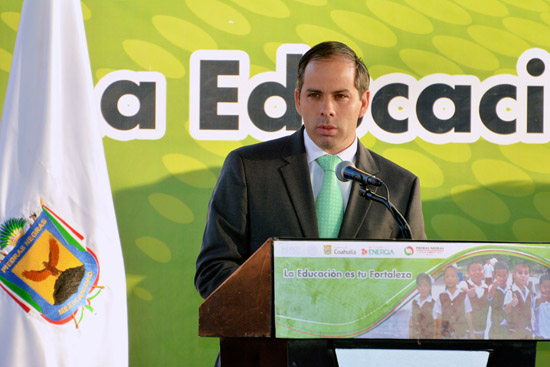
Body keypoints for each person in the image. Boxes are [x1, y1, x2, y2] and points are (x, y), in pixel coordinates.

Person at [195, 41, 427, 299]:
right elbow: (213, 271)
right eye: (315, 95)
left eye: (340, 96)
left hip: (360, 339)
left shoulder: (398, 186)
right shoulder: (249, 168)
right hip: (277, 337)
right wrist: (288, 301)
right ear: (298, 100)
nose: (327, 109)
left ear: (363, 103)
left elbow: (415, 282)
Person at [433, 266, 475, 339]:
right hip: (445, 334)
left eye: (453, 276)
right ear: (444, 280)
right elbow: (439, 316)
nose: (450, 279)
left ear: (457, 279)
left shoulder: (463, 295)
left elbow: (467, 314)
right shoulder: (441, 296)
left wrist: (471, 333)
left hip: (461, 334)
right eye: (447, 277)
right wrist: (438, 334)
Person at [458, 259, 489, 339]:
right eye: (473, 270)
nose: (477, 272)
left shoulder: (486, 287)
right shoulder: (465, 284)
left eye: (480, 269)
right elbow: (459, 287)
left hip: (483, 330)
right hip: (468, 330)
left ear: (484, 272)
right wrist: (467, 290)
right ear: (468, 273)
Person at [504, 262, 534, 339]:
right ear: (514, 275)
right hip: (514, 332)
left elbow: (530, 310)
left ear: (529, 276)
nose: (523, 276)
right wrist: (511, 304)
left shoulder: (529, 292)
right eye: (520, 273)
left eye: (526, 273)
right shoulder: (510, 292)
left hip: (527, 331)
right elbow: (506, 310)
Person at [488, 261, 511, 339]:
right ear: (494, 276)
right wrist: (494, 287)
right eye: (499, 276)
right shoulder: (492, 288)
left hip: (508, 327)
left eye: (504, 275)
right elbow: (489, 298)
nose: (501, 278)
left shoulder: (510, 288)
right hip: (496, 326)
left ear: (508, 275)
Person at [409, 273, 435, 339]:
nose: (423, 288)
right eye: (420, 285)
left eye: (426, 285)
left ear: (430, 287)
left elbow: (436, 325)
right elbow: (411, 322)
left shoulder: (434, 303)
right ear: (417, 287)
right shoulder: (414, 302)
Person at [534, 273, 550, 339]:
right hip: (540, 336)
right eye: (545, 286)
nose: (548, 289)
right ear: (539, 287)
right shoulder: (537, 299)